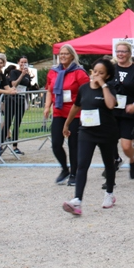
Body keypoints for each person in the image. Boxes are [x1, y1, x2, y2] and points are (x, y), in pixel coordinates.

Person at [62, 58, 119, 215]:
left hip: (106, 132)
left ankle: (109, 193)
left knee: (109, 163)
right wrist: (66, 124)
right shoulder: (84, 88)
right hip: (86, 131)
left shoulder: (109, 88)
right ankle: (77, 201)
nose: (97, 75)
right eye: (95, 71)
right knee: (82, 164)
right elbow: (76, 106)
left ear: (107, 76)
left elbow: (110, 104)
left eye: (101, 73)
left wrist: (104, 85)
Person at [44, 45, 90, 186]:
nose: (63, 56)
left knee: (73, 144)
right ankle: (65, 169)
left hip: (75, 112)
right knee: (56, 144)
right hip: (59, 111)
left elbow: (87, 92)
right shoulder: (53, 72)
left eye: (66, 54)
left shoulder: (79, 72)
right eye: (61, 54)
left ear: (72, 56)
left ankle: (74, 174)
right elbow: (49, 90)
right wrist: (47, 107)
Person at [111, 42, 134, 180]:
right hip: (112, 111)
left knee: (126, 146)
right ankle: (113, 164)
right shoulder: (111, 69)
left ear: (129, 53)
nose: (120, 54)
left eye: (123, 51)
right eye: (118, 51)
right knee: (109, 141)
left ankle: (132, 160)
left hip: (128, 112)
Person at [6, 56, 33, 155]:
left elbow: (27, 88)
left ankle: (15, 146)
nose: (23, 64)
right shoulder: (14, 72)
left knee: (17, 123)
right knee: (8, 122)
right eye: (22, 62)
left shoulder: (28, 75)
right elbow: (14, 84)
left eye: (25, 62)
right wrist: (22, 74)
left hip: (21, 100)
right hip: (12, 99)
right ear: (18, 62)